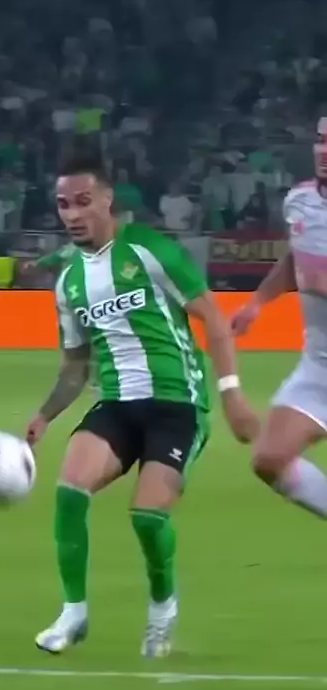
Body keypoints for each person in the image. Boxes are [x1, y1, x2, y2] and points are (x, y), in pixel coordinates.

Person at [25, 153, 258, 658]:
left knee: (148, 517)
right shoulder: (69, 282)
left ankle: (162, 605)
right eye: (63, 204)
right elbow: (75, 365)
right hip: (117, 405)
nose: (72, 214)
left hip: (177, 404)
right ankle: (73, 612)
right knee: (69, 489)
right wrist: (45, 414)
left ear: (107, 199)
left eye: (83, 201)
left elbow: (214, 320)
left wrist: (232, 393)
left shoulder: (150, 250)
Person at [231, 117, 327, 518]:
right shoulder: (300, 201)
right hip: (320, 367)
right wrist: (257, 302)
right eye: (321, 140)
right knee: (270, 459)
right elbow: (294, 259)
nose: (324, 151)